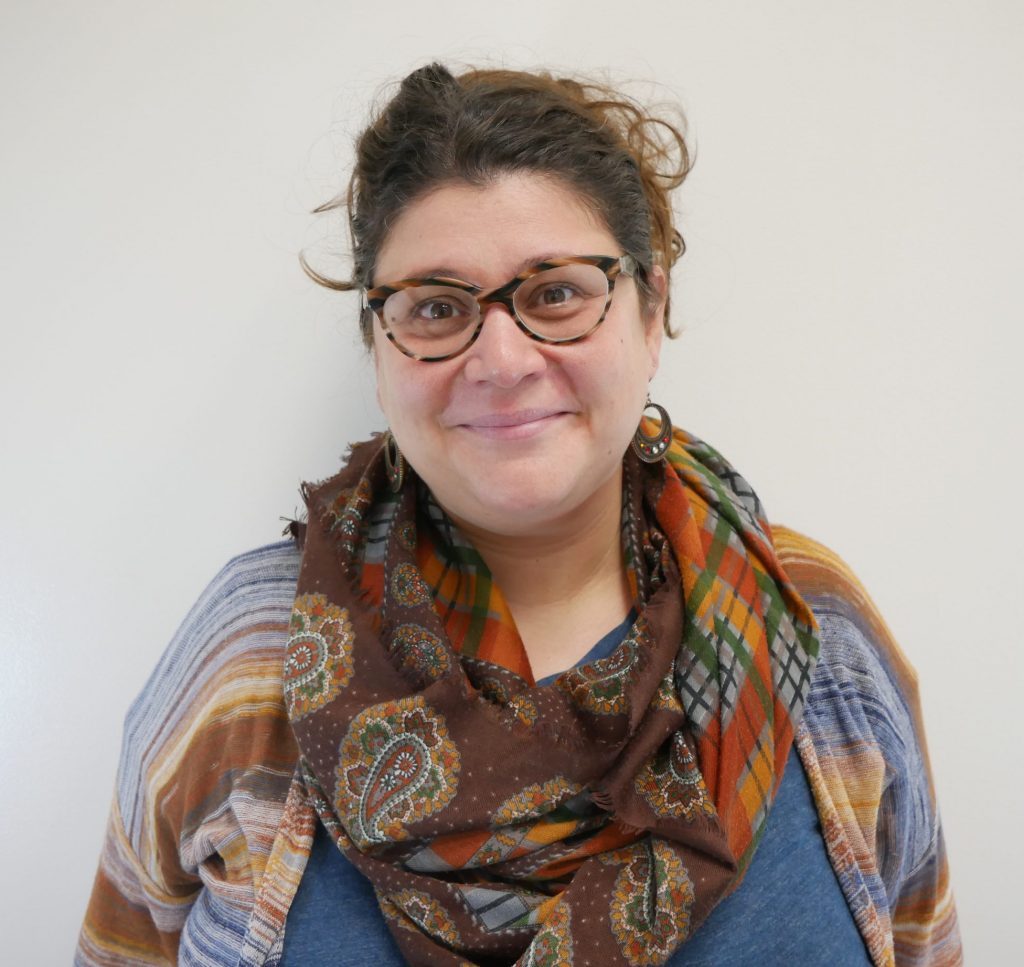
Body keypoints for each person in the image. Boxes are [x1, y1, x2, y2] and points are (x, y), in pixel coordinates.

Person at [76, 64, 962, 966]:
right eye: (436, 307)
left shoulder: (815, 625)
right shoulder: (250, 656)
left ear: (651, 314)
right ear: (379, 346)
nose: (502, 361)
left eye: (557, 294)